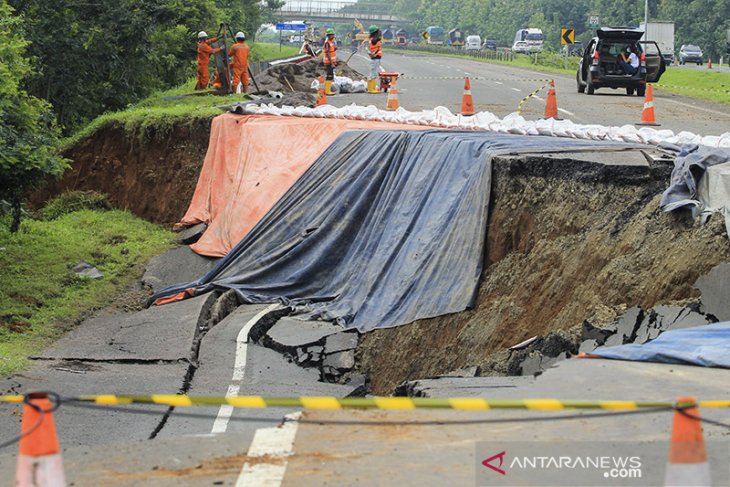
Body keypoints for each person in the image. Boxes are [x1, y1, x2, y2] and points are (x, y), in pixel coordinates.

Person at [322, 28, 337, 95]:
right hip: (328, 62)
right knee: (329, 76)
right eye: (332, 35)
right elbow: (328, 53)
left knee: (330, 75)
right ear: (328, 35)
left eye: (333, 35)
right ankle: (327, 91)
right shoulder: (327, 43)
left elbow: (332, 51)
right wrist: (332, 63)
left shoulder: (331, 42)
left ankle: (328, 89)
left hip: (331, 62)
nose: (333, 36)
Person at [367, 25, 382, 94]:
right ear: (375, 32)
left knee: (374, 73)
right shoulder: (374, 40)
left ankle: (372, 88)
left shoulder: (373, 39)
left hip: (375, 58)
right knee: (373, 74)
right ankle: (371, 89)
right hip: (375, 58)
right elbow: (378, 39)